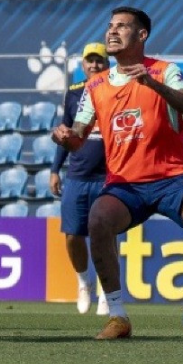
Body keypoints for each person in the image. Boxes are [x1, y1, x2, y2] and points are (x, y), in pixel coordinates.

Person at [52, 6, 183, 342]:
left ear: (141, 35)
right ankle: (117, 316)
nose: (112, 31)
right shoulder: (95, 86)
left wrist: (151, 84)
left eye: (122, 26)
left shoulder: (166, 71)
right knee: (97, 221)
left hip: (172, 181)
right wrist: (66, 136)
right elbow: (78, 137)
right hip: (125, 186)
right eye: (110, 26)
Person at [50, 42, 110, 316]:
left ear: (107, 64)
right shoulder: (73, 94)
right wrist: (54, 169)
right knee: (73, 235)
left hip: (108, 176)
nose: (95, 65)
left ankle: (109, 290)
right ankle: (84, 281)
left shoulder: (116, 90)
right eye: (90, 61)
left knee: (105, 235)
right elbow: (64, 134)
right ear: (83, 65)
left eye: (100, 61)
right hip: (77, 175)